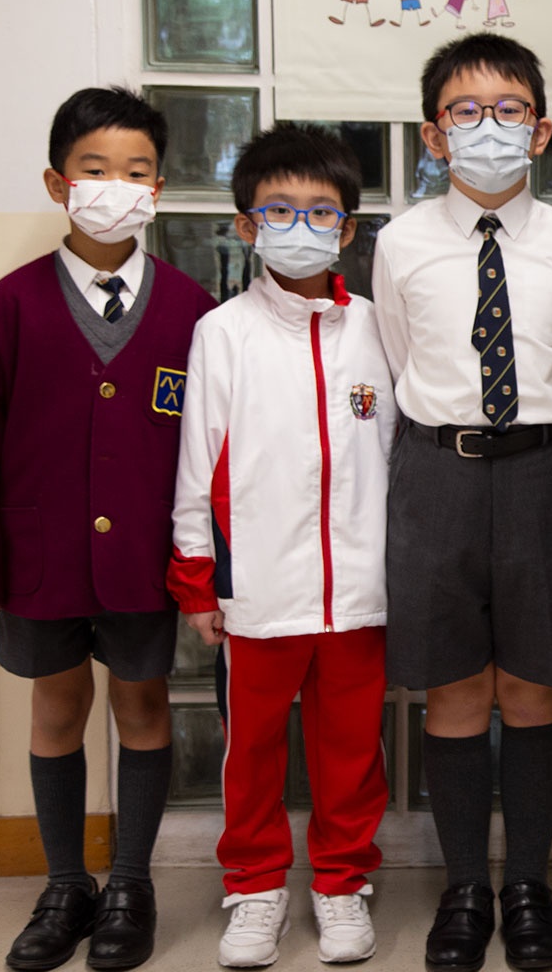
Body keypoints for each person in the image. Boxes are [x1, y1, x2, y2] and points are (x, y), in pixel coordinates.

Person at [0, 87, 219, 972]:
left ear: (158, 190)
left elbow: (211, 449)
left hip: (144, 556)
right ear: (58, 184)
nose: (115, 187)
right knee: (56, 707)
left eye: (136, 172)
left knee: (143, 707)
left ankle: (130, 883)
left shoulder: (193, 309)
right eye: (96, 170)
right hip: (41, 555)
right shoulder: (7, 306)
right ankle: (66, 884)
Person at [372, 33, 552, 972]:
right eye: (465, 112)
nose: (489, 127)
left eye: (509, 110)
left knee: (534, 685)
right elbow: (400, 357)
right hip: (439, 473)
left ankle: (529, 887)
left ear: (540, 131)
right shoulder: (400, 243)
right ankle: (467, 886)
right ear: (435, 135)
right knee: (457, 688)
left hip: (543, 473)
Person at [167, 125, 396, 968]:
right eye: (279, 209)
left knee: (351, 753)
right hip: (256, 592)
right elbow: (197, 462)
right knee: (252, 754)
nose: (301, 224)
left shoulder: (377, 328)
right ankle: (255, 888)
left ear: (348, 228)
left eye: (321, 210)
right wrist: (197, 577)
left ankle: (341, 884)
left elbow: (398, 454)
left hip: (358, 592)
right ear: (246, 225)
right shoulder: (222, 332)